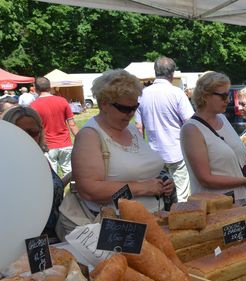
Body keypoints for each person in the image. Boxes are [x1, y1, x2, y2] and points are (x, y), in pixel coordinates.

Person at [71, 69, 174, 216]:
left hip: (153, 216)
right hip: (118, 224)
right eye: (124, 109)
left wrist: (164, 181)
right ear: (104, 104)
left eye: (134, 108)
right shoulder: (90, 136)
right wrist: (142, 188)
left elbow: (142, 168)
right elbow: (89, 190)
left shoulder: (131, 129)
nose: (130, 114)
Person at [180, 71, 246, 205]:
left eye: (230, 95)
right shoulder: (191, 130)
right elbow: (205, 179)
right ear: (206, 96)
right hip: (213, 206)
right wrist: (244, 181)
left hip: (237, 201)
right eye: (224, 96)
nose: (229, 100)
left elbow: (234, 157)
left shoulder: (223, 119)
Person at [2, 106, 68, 243]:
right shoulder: (6, 164)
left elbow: (49, 189)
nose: (27, 137)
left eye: (33, 132)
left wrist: (72, 176)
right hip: (24, 241)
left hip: (55, 236)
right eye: (20, 132)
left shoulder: (40, 158)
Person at [135, 56, 194, 202]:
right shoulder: (177, 93)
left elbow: (138, 127)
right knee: (181, 196)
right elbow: (190, 123)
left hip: (153, 154)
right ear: (172, 74)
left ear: (155, 71)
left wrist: (141, 153)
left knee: (159, 195)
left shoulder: (142, 95)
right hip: (176, 152)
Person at [31, 77, 79, 176]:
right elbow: (72, 124)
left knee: (51, 176)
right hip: (65, 143)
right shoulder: (62, 101)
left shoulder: (33, 106)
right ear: (50, 87)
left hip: (47, 145)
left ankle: (56, 192)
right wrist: (81, 140)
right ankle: (73, 191)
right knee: (69, 173)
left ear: (35, 88)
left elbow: (34, 129)